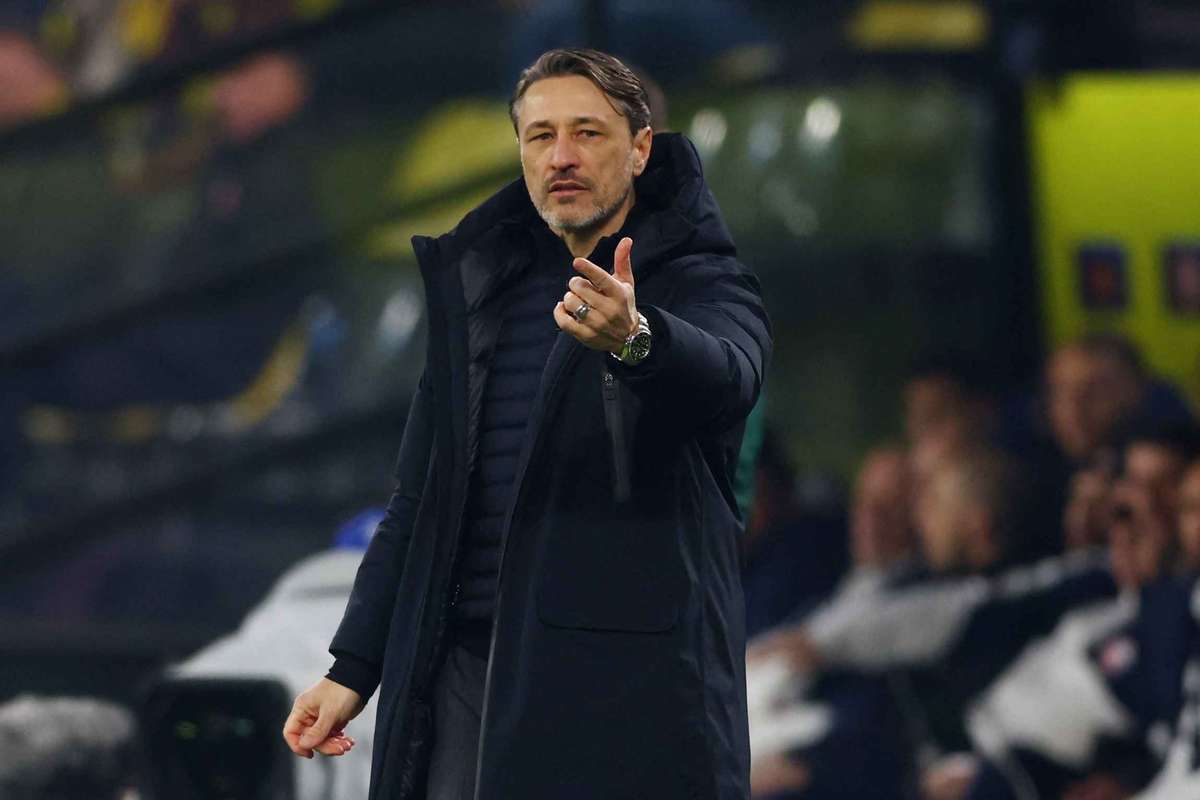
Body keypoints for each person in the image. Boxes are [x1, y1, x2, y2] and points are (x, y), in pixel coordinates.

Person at [281, 48, 771, 800]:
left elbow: (729, 377)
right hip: (460, 673)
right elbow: (419, 501)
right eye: (541, 136)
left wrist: (637, 338)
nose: (561, 156)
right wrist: (353, 666)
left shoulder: (701, 279)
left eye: (587, 132)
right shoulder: (481, 293)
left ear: (642, 148)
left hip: (618, 688)